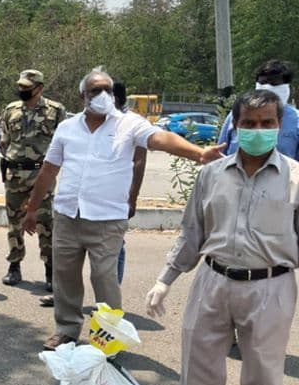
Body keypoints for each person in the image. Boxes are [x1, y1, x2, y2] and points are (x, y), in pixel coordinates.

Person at [145, 90, 297, 385]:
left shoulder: (295, 178)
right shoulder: (211, 175)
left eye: (268, 124)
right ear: (235, 126)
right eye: (250, 123)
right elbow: (191, 232)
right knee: (199, 370)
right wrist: (165, 279)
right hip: (213, 280)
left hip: (270, 286)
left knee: (263, 384)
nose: (258, 131)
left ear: (279, 127)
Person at [21, 67, 225, 351]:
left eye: (108, 90)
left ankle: (108, 340)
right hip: (68, 216)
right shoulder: (67, 128)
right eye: (96, 90)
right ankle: (66, 330)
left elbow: (160, 139)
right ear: (83, 95)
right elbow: (49, 170)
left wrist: (199, 153)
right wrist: (31, 210)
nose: (103, 95)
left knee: (104, 279)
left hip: (107, 220)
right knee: (65, 277)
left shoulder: (129, 124)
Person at [0, 69, 66, 291]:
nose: (22, 91)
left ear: (40, 88)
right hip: (15, 176)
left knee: (46, 224)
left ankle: (50, 270)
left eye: (27, 88)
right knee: (14, 224)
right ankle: (14, 266)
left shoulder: (55, 111)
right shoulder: (11, 110)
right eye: (21, 87)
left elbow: (63, 143)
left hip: (41, 176)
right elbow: (4, 140)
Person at [216, 60, 299, 159]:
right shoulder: (238, 113)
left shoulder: (296, 120)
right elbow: (220, 151)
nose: (267, 87)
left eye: (274, 83)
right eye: (263, 82)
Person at [113, 79, 147, 285]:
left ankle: (109, 300)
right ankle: (67, 295)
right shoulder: (97, 120)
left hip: (118, 197)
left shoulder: (135, 123)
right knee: (76, 247)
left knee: (115, 245)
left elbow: (139, 162)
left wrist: (132, 198)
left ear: (114, 98)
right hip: (89, 197)